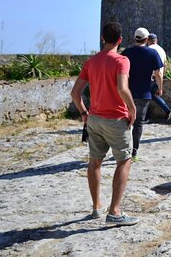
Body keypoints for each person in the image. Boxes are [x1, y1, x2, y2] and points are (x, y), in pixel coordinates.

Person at [70, 21, 140, 226]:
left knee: (95, 162)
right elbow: (122, 88)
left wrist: (84, 113)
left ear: (102, 38)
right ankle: (115, 212)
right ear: (120, 40)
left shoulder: (91, 62)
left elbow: (75, 93)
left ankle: (95, 208)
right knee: (124, 160)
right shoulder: (121, 60)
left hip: (94, 119)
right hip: (116, 119)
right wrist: (132, 108)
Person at [121, 27, 164, 162]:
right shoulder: (152, 53)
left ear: (135, 38)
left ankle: (123, 150)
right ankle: (134, 152)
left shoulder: (126, 53)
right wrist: (160, 88)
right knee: (138, 123)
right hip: (144, 93)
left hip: (127, 93)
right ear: (147, 40)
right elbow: (159, 73)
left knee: (125, 123)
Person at [147, 33, 171, 122]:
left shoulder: (149, 49)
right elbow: (165, 64)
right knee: (153, 96)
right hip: (160, 76)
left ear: (148, 40)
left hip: (151, 76)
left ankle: (146, 117)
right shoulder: (162, 50)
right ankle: (167, 110)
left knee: (145, 96)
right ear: (156, 40)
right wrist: (163, 76)